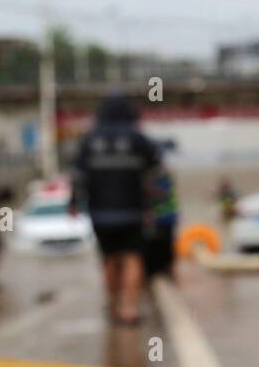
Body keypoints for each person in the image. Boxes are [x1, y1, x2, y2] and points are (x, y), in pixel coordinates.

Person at [70, 92, 160, 324]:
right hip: (133, 211)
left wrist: (72, 203)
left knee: (109, 259)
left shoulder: (89, 140)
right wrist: (152, 207)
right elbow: (154, 174)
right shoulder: (138, 139)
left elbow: (78, 177)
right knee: (133, 257)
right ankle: (129, 309)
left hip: (100, 213)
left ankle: (113, 304)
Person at [143, 162, 179, 283]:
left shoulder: (160, 178)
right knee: (159, 245)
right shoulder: (162, 176)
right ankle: (161, 272)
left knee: (164, 245)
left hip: (164, 217)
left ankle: (163, 271)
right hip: (162, 217)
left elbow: (161, 194)